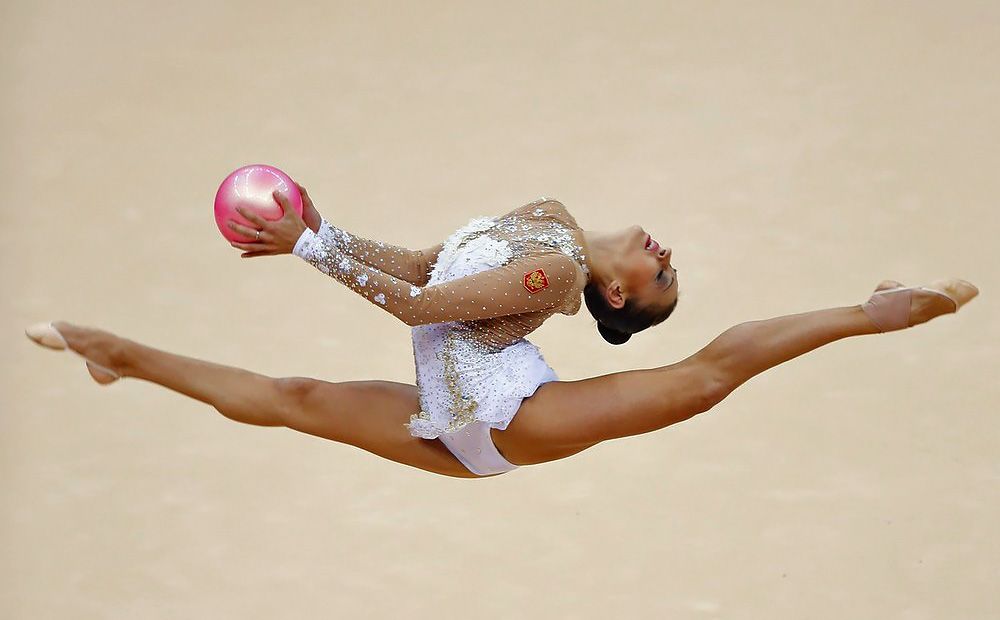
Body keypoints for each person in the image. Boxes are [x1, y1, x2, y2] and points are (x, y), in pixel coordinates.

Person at [25, 186, 978, 479]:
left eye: (659, 277)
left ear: (608, 292)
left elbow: (413, 309)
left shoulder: (556, 272)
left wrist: (309, 248)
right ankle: (118, 356)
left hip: (514, 413)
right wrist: (315, 235)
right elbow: (416, 265)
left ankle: (872, 312)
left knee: (700, 380)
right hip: (449, 421)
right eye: (668, 267)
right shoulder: (550, 217)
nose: (662, 254)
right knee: (293, 400)